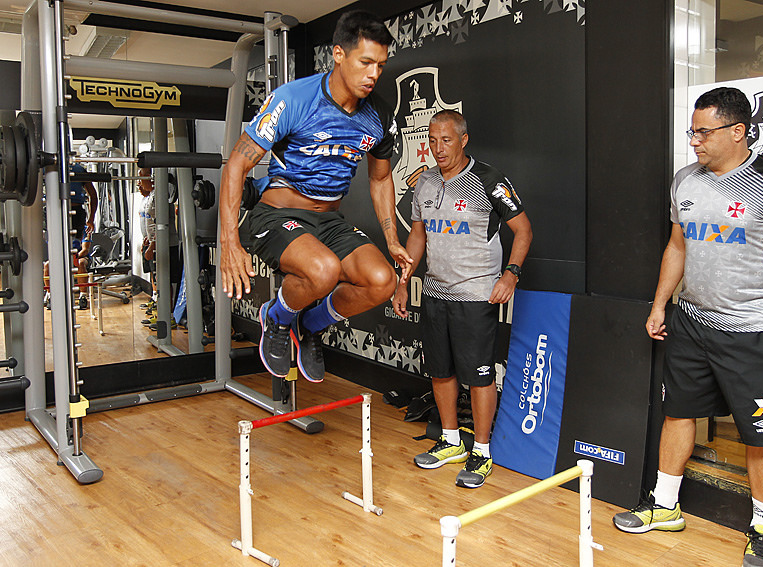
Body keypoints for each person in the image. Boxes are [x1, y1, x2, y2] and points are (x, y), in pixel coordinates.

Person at [612, 87, 763, 567]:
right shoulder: (686, 180)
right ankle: (665, 506)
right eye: (692, 131)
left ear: (737, 131)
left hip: (751, 330)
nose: (694, 141)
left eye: (704, 132)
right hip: (691, 322)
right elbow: (677, 246)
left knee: (761, 434)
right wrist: (660, 304)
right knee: (678, 413)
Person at [219, 10, 413, 383]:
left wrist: (392, 239)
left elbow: (380, 178)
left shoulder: (378, 114)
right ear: (338, 54)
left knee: (381, 281)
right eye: (366, 62)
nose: (374, 74)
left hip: (329, 220)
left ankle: (308, 325)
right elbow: (236, 166)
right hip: (277, 214)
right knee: (324, 270)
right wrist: (229, 242)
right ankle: (276, 316)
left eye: (380, 65)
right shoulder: (293, 99)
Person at [392, 110, 533, 489]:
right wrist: (403, 281)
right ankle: (451, 440)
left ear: (463, 140)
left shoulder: (488, 180)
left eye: (446, 140)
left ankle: (482, 451)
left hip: (475, 294)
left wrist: (511, 274)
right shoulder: (425, 182)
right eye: (432, 140)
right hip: (435, 292)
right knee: (441, 371)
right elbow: (417, 236)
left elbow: (523, 230)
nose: (438, 148)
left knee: (479, 376)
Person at [44, 163, 98, 309]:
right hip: (54, 211)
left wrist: (91, 219)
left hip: (76, 214)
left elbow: (93, 195)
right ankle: (50, 295)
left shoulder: (79, 169)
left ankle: (82, 296)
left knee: (79, 261)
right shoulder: (47, 167)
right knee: (49, 262)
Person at [137, 167, 181, 328]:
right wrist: (147, 240)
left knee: (165, 280)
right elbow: (151, 222)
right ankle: (160, 313)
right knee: (158, 280)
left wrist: (152, 245)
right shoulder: (151, 196)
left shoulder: (160, 196)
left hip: (166, 245)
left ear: (151, 177)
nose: (139, 182)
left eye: (141, 177)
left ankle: (168, 316)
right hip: (154, 244)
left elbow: (163, 224)